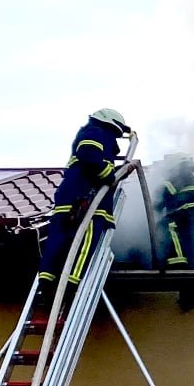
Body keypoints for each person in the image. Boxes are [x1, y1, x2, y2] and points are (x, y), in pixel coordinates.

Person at [36, 108, 132, 290]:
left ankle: (47, 281)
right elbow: (89, 155)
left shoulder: (91, 133)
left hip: (70, 196)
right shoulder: (96, 132)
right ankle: (72, 285)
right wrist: (109, 176)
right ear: (109, 124)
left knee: (58, 241)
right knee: (86, 241)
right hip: (87, 200)